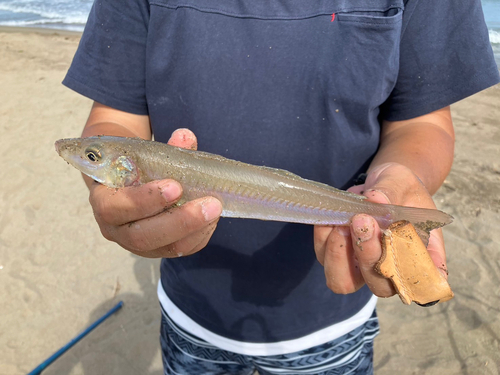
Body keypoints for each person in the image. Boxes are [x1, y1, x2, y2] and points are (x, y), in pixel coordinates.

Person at [62, 0, 499, 373]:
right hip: (190, 311)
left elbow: (423, 122)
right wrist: (117, 201)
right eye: (94, 159)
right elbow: (113, 117)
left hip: (335, 321)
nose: (83, 160)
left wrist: (401, 180)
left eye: (93, 158)